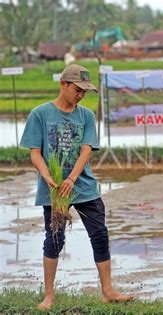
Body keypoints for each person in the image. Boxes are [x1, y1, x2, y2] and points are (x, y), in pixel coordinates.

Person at [19, 64, 133, 310]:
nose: (80, 95)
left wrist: (71, 178)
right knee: (55, 238)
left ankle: (108, 290)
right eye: (77, 89)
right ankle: (49, 296)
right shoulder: (40, 114)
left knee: (100, 234)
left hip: (83, 186)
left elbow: (86, 150)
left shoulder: (86, 116)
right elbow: (35, 153)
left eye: (84, 91)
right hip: (54, 189)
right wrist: (48, 176)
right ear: (63, 84)